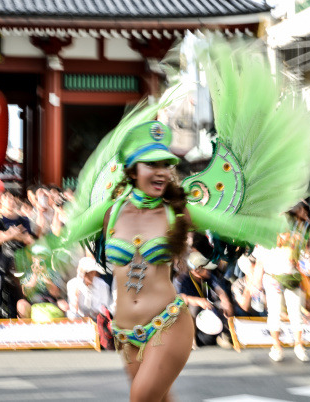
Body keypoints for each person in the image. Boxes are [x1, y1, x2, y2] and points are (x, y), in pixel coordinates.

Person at [94, 121, 194, 402]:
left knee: (141, 399)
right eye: (151, 164)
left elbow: (227, 227)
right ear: (133, 171)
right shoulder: (111, 213)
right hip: (125, 333)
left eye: (166, 164)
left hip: (168, 323)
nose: (161, 171)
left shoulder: (178, 212)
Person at [255, 235, 310, 363]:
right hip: (272, 278)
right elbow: (259, 263)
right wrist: (257, 284)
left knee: (296, 312)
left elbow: (303, 260)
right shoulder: (264, 239)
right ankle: (276, 346)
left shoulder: (296, 239)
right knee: (274, 313)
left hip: (292, 279)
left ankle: (299, 345)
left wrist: (308, 266)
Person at [179, 251, 233, 348]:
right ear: (196, 270)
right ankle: (191, 340)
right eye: (206, 268)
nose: (209, 270)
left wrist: (225, 300)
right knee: (192, 307)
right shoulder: (185, 280)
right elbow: (183, 298)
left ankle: (225, 335)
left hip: (209, 312)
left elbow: (219, 289)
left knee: (222, 304)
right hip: (197, 318)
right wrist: (198, 301)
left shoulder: (209, 278)